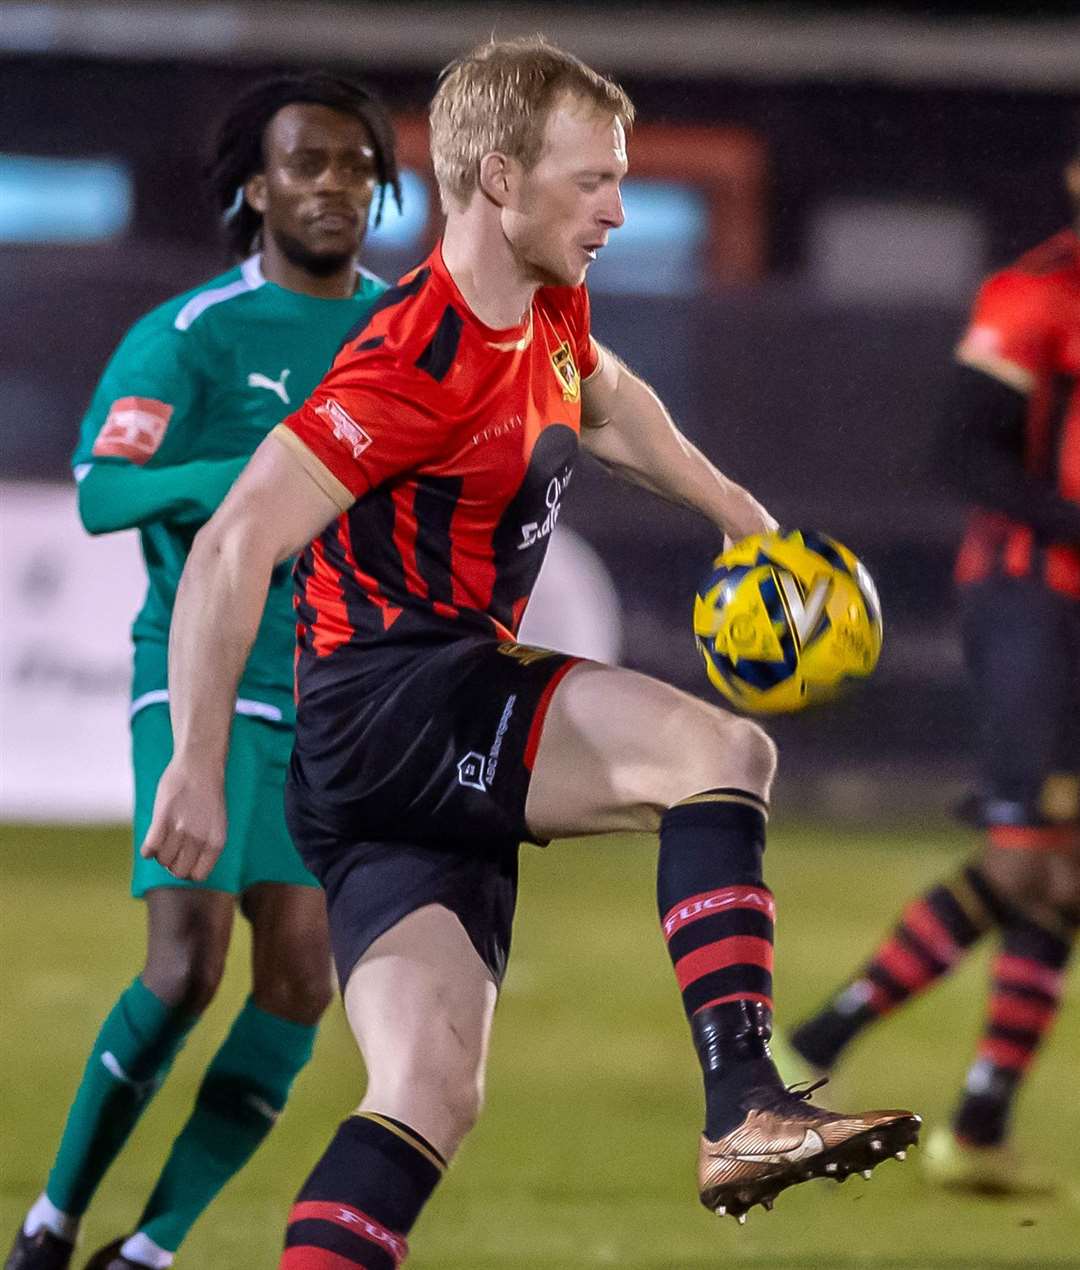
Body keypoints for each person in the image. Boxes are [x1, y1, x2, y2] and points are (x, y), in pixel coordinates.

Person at [141, 38, 919, 1262]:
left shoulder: (549, 308)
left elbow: (607, 400)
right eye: (591, 181)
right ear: (497, 180)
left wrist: (739, 517)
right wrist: (191, 760)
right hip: (397, 699)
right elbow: (235, 545)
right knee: (717, 751)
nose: (616, 206)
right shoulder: (410, 359)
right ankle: (744, 1103)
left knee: (425, 1096)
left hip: (390, 758)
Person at [6, 74, 400, 1270]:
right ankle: (50, 1223)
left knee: (296, 982)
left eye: (353, 166)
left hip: (337, 698)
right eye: (306, 164)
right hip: (203, 683)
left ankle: (153, 1246)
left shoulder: (401, 336)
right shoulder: (192, 336)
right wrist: (234, 482)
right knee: (184, 966)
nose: (332, 185)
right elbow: (101, 489)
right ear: (255, 187)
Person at [788, 150, 1080, 1195]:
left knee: (1064, 873)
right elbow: (964, 451)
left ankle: (978, 1128)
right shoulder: (1037, 290)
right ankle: (808, 1046)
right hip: (1030, 604)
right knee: (1020, 863)